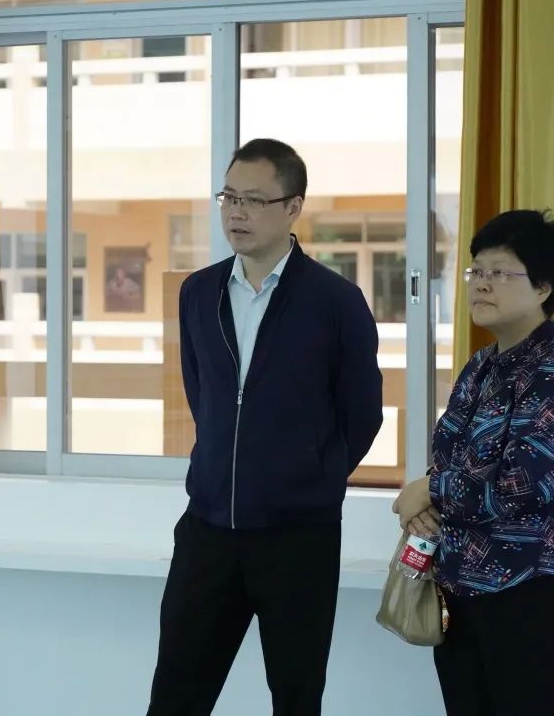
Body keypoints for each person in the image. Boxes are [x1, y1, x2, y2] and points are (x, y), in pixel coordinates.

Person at [146, 138, 384, 715]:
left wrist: (311, 478)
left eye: (254, 200)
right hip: (207, 530)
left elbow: (363, 413)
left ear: (293, 207)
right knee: (175, 696)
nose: (237, 212)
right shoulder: (197, 292)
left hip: (298, 538)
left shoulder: (336, 301)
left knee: (296, 698)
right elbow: (202, 395)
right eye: (229, 197)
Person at [393, 209, 554, 716]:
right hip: (461, 589)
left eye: (500, 273)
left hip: (532, 594)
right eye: (476, 271)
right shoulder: (482, 365)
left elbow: (520, 487)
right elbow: (449, 458)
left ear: (543, 287)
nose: (481, 284)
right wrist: (427, 503)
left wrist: (430, 491)